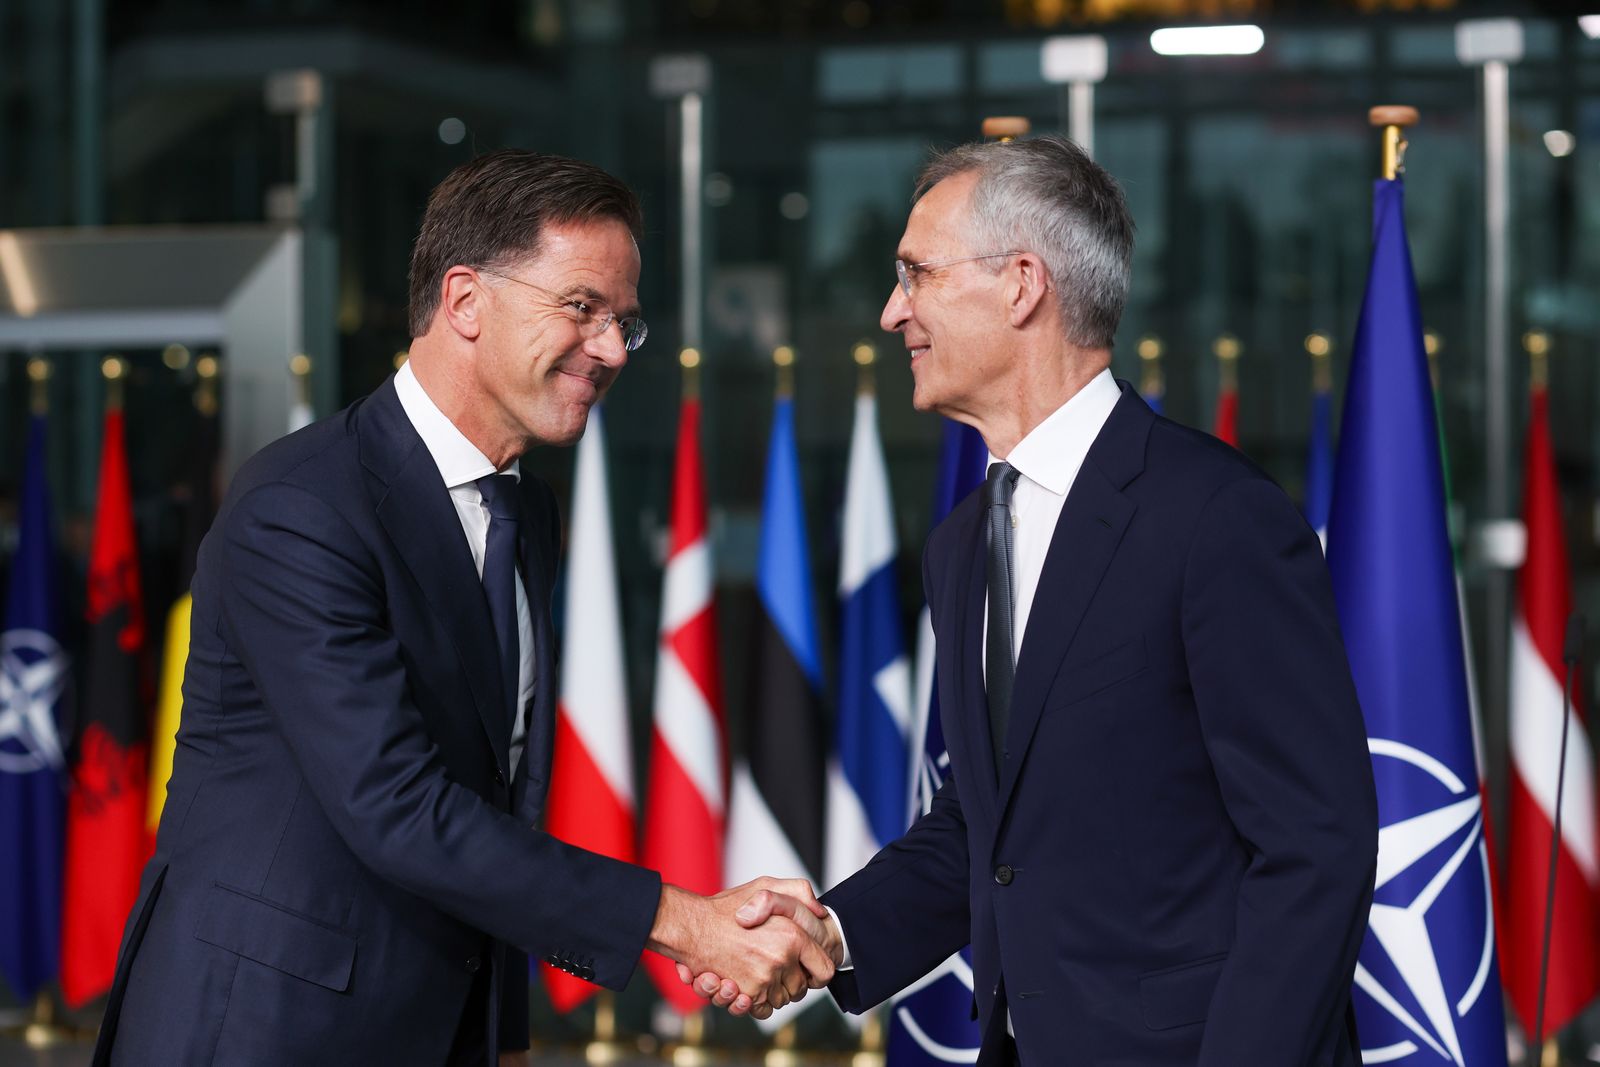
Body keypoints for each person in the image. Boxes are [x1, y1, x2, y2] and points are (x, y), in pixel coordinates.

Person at [92, 149, 834, 1067]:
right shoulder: (303, 503)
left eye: (624, 324)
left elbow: (499, 798)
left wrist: (499, 1034)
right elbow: (397, 804)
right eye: (582, 308)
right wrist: (682, 922)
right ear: (466, 300)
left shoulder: (529, 511)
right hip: (261, 1030)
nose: (609, 349)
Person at [687, 135, 1379, 1065]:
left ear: (1021, 283)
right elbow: (988, 823)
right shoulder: (962, 542)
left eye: (915, 274)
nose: (893, 311)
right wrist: (831, 933)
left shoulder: (1217, 517)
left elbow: (1314, 849)